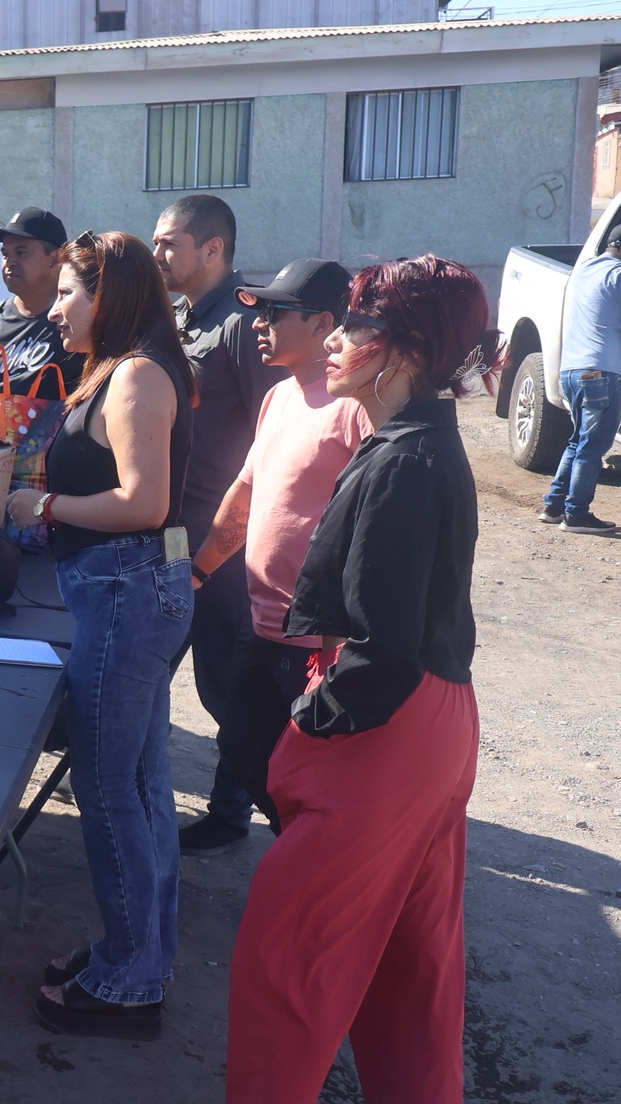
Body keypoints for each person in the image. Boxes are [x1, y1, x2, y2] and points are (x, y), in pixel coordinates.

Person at [137, 257, 489, 1104]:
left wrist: (309, 722)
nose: (333, 337)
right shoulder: (418, 441)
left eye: (354, 325)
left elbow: (377, 651)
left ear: (400, 350)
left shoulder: (401, 459)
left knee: (288, 951)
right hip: (431, 720)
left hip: (385, 728)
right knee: (411, 951)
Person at [5, 231, 195, 1039]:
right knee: (141, 783)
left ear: (107, 296)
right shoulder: (125, 366)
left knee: (111, 785)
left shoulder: (139, 375)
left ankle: (130, 978)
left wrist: (43, 506)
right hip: (130, 586)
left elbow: (145, 503)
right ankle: (140, 952)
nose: (55, 310)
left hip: (127, 588)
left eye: (68, 294)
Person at [186, 259, 371, 831]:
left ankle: (312, 860)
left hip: (316, 639)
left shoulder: (356, 409)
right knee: (243, 748)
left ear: (323, 324)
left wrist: (344, 641)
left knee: (312, 771)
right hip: (261, 623)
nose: (259, 322)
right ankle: (299, 845)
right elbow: (245, 494)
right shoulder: (278, 398)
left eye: (275, 311)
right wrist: (197, 572)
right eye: (259, 310)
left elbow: (375, 526)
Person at [151, 194, 273, 856]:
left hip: (223, 536)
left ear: (213, 249)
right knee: (155, 654)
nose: (158, 254)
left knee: (226, 680)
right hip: (177, 527)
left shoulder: (241, 324)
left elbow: (268, 436)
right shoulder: (182, 316)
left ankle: (235, 810)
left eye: (169, 243)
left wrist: (236, 534)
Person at [541, 218, 621, 534]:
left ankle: (554, 506)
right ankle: (576, 515)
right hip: (601, 373)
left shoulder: (586, 269)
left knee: (578, 442)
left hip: (572, 372)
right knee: (592, 447)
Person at [0, 205, 83, 397]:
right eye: (5, 254)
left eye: (21, 253)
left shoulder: (77, 320)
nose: (10, 262)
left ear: (56, 258)